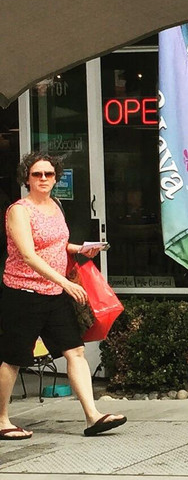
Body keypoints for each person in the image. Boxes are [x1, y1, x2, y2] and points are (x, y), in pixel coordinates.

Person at [1, 152, 126, 440]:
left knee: (75, 351)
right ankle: (2, 420)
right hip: (24, 293)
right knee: (13, 358)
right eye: (37, 174)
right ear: (26, 178)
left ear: (56, 178)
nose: (43, 179)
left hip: (53, 293)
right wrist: (66, 283)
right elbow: (30, 255)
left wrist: (79, 249)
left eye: (49, 174)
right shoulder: (19, 211)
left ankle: (93, 416)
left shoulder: (55, 205)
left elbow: (55, 244)